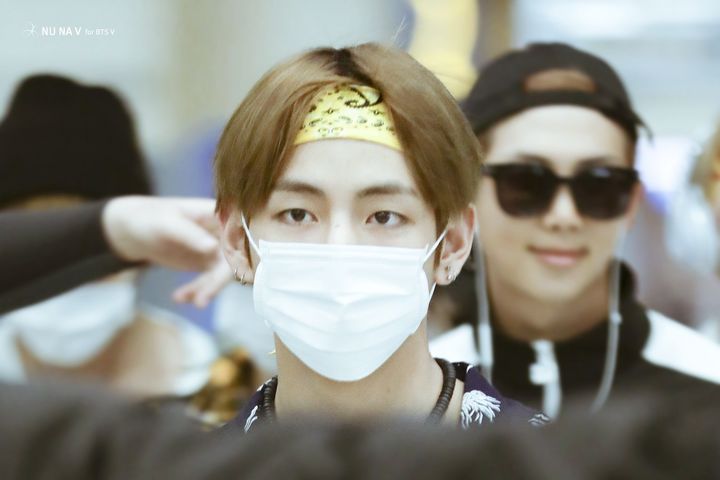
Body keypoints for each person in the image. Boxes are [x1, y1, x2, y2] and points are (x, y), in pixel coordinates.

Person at [214, 43, 544, 432]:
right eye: (297, 214)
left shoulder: (553, 459)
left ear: (454, 243)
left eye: (384, 216)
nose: (340, 249)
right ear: (236, 240)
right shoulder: (193, 463)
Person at [431, 42, 720, 418]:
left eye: (598, 184)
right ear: (468, 194)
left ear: (631, 203)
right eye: (526, 182)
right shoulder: (420, 393)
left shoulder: (706, 383)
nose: (564, 215)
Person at [0, 75, 217, 401]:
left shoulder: (219, 385)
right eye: (40, 256)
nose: (66, 286)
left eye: (92, 255)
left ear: (147, 249)